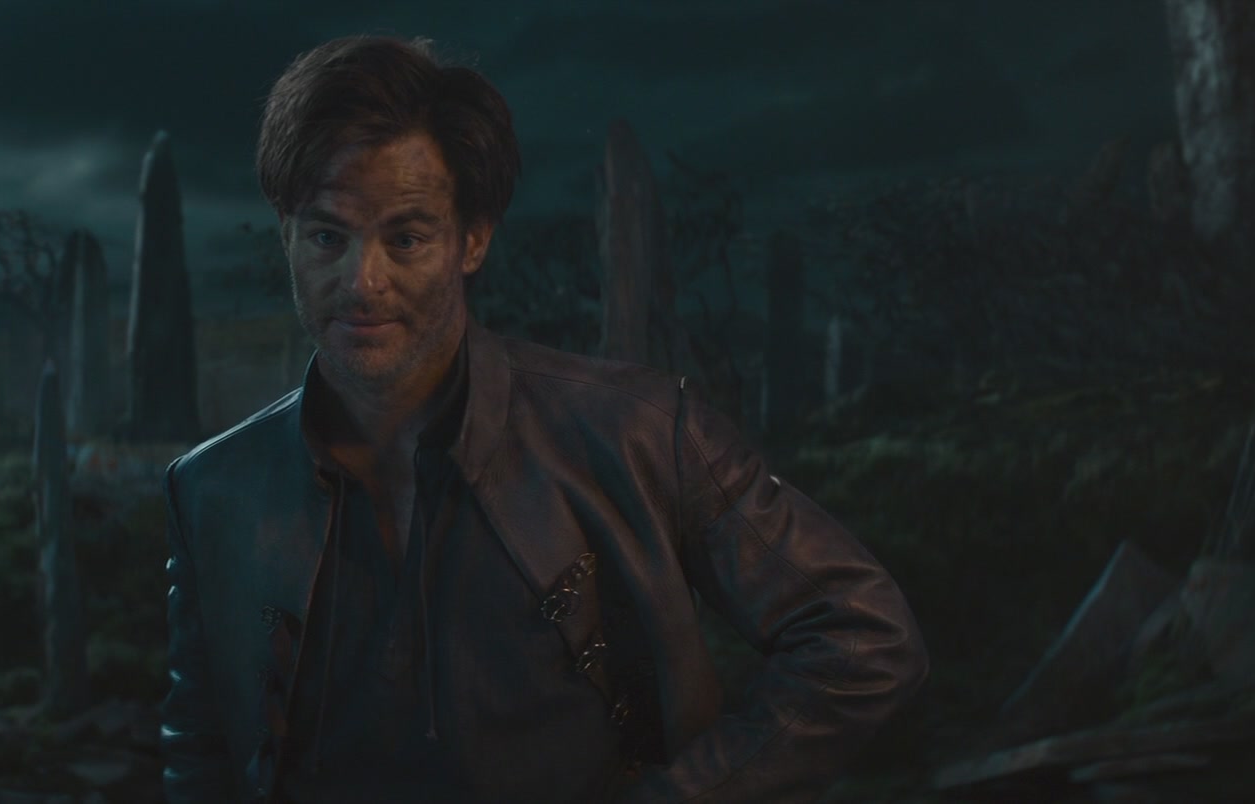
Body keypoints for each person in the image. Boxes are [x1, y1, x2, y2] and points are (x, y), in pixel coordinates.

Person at [159, 35, 928, 804]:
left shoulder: (639, 433)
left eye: (407, 238)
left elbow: (863, 636)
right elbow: (200, 755)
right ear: (287, 235)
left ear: (473, 239)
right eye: (328, 236)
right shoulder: (212, 491)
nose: (362, 281)